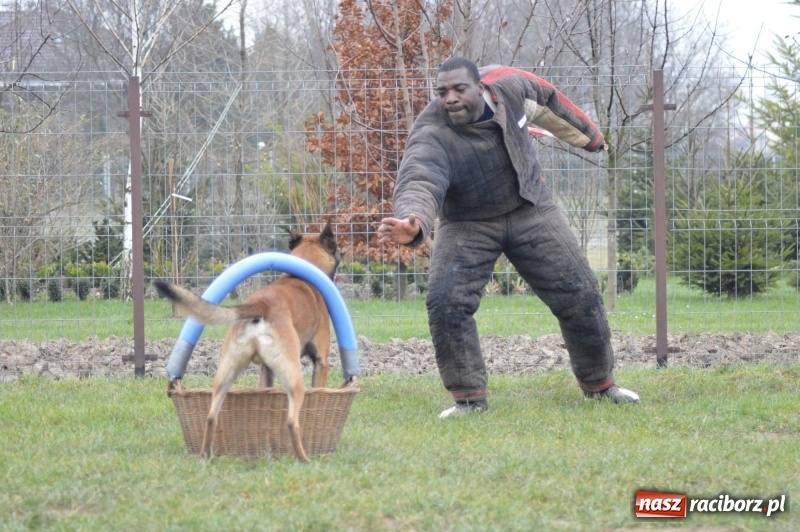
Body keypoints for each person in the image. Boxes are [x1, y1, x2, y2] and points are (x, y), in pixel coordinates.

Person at [377, 57, 640, 418]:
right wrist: (415, 222)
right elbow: (419, 178)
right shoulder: (431, 131)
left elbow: (548, 101)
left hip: (530, 207)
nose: (450, 98)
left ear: (480, 86)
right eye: (442, 92)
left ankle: (601, 386)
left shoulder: (511, 87)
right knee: (446, 302)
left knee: (580, 291)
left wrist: (590, 137)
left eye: (459, 89)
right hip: (468, 222)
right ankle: (469, 399)